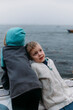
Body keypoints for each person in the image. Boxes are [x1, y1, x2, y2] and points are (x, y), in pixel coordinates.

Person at [1, 27, 42, 110]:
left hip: (19, 91)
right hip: (35, 86)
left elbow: (5, 70)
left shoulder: (4, 51)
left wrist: (6, 86)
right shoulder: (24, 50)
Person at [25, 41, 73, 110]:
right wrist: (40, 107)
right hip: (55, 105)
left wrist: (68, 93)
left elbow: (59, 79)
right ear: (31, 58)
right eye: (35, 53)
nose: (40, 54)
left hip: (67, 98)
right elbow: (34, 89)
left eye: (40, 50)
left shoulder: (50, 61)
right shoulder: (34, 67)